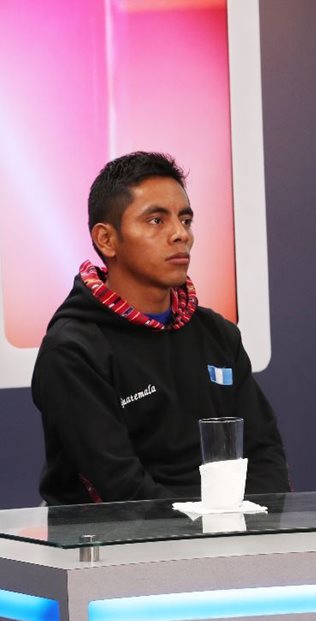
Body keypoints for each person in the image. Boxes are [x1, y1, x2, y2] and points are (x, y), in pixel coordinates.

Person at [32, 151, 290, 505]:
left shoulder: (218, 335)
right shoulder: (73, 349)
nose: (180, 235)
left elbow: (264, 454)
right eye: (156, 220)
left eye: (185, 220)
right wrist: (198, 534)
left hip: (227, 542)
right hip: (119, 549)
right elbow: (117, 485)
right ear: (107, 240)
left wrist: (254, 525)